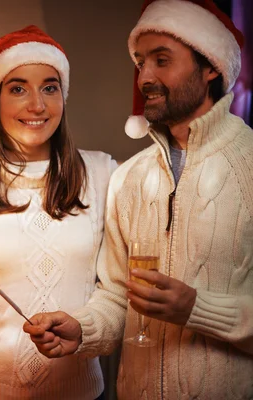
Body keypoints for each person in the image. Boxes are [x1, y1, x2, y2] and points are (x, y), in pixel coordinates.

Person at [23, 1, 253, 399]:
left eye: (162, 60)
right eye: (140, 62)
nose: (144, 76)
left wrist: (198, 309)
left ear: (211, 66)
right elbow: (116, 297)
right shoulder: (129, 177)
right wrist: (83, 329)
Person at [0, 25, 117, 399]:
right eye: (17, 89)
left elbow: (119, 295)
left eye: (49, 87)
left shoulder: (103, 174)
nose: (37, 105)